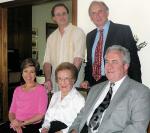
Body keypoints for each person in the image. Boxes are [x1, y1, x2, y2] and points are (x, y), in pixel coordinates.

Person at [68, 45, 150, 133]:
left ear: (125, 66)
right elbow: (82, 115)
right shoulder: (95, 89)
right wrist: (74, 130)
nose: (109, 66)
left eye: (114, 62)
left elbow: (137, 128)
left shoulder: (140, 92)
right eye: (107, 61)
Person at [80, 1, 141, 89]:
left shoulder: (123, 31)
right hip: (94, 84)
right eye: (93, 13)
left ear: (107, 12)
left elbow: (134, 60)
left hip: (118, 82)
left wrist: (136, 86)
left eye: (100, 11)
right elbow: (90, 63)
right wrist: (86, 80)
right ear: (91, 18)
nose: (97, 15)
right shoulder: (90, 36)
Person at [43, 3, 86, 92]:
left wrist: (69, 80)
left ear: (68, 15)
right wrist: (48, 79)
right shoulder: (51, 37)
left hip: (73, 82)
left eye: (64, 13)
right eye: (58, 14)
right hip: (56, 84)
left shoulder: (78, 32)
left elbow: (78, 59)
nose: (62, 16)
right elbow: (47, 62)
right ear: (54, 18)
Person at [0, 58, 48, 133]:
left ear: (36, 74)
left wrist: (22, 123)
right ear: (22, 73)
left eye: (32, 72)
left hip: (31, 125)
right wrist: (14, 122)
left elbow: (41, 115)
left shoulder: (41, 90)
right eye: (25, 71)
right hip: (15, 123)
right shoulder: (17, 90)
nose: (28, 75)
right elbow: (12, 112)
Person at [40, 62, 85, 133]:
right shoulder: (55, 95)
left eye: (66, 78)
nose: (62, 82)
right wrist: (45, 128)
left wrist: (63, 131)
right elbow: (48, 117)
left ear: (73, 80)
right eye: (60, 79)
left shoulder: (79, 99)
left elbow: (80, 124)